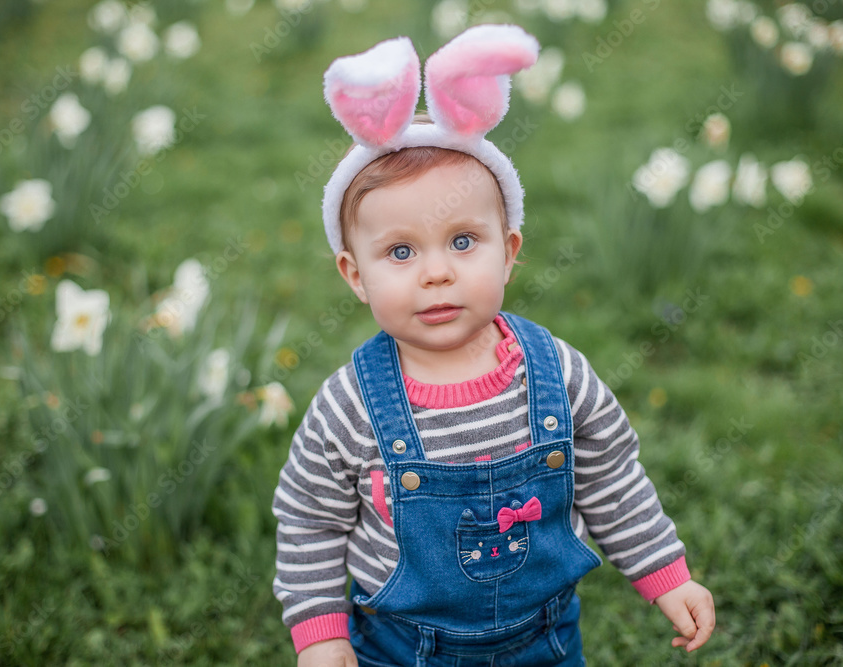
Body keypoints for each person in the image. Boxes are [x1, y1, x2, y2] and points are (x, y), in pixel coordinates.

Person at [273, 25, 715, 666]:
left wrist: (666, 576)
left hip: (545, 637)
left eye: (462, 241)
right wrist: (322, 634)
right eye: (400, 251)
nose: (436, 272)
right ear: (355, 275)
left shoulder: (556, 373)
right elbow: (311, 520)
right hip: (403, 645)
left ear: (508, 253)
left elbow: (611, 478)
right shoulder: (351, 405)